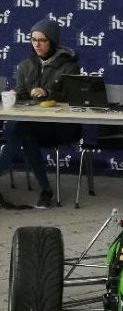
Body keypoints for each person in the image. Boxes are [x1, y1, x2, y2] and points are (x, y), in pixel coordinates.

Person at [0, 18, 80, 209]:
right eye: (33, 39)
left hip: (60, 127)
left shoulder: (69, 66)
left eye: (42, 40)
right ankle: (46, 190)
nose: (37, 44)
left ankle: (43, 189)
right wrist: (15, 95)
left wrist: (48, 93)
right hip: (33, 125)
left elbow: (74, 97)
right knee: (25, 133)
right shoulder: (25, 65)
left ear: (52, 41)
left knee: (23, 130)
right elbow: (22, 92)